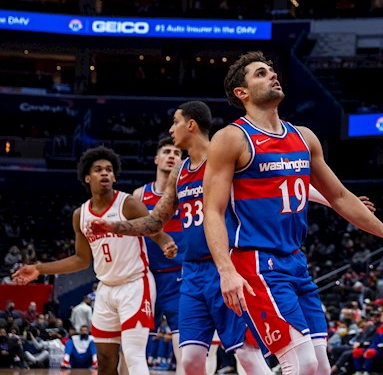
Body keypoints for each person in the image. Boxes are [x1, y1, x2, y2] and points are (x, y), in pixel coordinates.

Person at [202, 51, 383, 375]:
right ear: (241, 93)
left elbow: (339, 196)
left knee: (321, 367)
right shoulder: (231, 138)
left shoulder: (304, 137)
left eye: (271, 71)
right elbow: (212, 211)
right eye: (260, 74)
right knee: (301, 364)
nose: (272, 76)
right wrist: (226, 271)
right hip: (258, 263)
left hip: (296, 262)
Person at [85, 102, 270, 375]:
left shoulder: (228, 159)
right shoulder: (179, 172)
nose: (171, 129)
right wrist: (113, 225)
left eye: (175, 122)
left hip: (226, 266)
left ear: (191, 125)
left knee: (246, 355)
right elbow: (154, 221)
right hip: (192, 272)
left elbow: (277, 182)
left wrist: (330, 200)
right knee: (191, 359)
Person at [12, 146, 177, 375]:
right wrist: (39, 269)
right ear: (87, 178)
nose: (105, 173)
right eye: (98, 170)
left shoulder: (127, 204)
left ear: (115, 176)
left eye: (109, 170)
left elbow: (156, 230)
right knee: (105, 362)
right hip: (106, 290)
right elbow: (81, 260)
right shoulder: (80, 215)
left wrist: (166, 243)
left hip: (135, 284)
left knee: (133, 354)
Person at [135, 137, 185, 371]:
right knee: (137, 339)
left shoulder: (188, 192)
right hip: (148, 276)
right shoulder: (139, 195)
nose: (172, 155)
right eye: (166, 151)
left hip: (180, 275)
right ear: (157, 159)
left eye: (177, 152)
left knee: (182, 341)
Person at [351, 309, 383, 375]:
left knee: (370, 352)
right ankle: (359, 371)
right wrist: (370, 348)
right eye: (382, 315)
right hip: (374, 348)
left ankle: (367, 372)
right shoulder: (380, 327)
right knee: (357, 352)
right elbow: (374, 340)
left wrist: (373, 349)